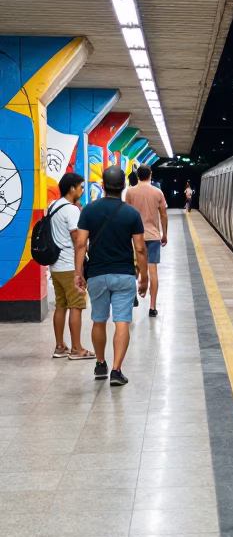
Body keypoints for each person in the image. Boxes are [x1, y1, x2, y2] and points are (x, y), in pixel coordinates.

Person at [73, 165, 147, 387]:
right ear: (123, 186)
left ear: (103, 186)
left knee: (99, 320)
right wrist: (144, 277)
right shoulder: (132, 214)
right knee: (122, 321)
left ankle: (100, 363)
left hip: (96, 274)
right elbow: (141, 248)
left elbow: (80, 243)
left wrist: (78, 273)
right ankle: (116, 370)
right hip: (124, 275)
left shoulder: (88, 211)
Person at [48, 171, 94, 361]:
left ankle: (60, 346)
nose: (83, 191)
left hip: (55, 265)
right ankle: (77, 349)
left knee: (61, 305)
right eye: (81, 187)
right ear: (72, 189)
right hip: (69, 265)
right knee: (76, 305)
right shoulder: (71, 209)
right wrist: (79, 271)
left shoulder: (53, 206)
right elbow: (78, 242)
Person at [126, 163, 167, 317]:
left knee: (134, 269)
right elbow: (163, 215)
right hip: (153, 236)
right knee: (153, 270)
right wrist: (164, 234)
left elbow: (126, 214)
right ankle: (152, 307)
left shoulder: (130, 192)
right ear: (150, 175)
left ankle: (133, 297)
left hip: (134, 236)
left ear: (138, 176)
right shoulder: (158, 193)